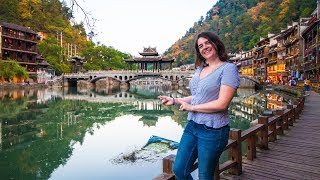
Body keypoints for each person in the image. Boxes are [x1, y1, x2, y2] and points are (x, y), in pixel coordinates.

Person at [158, 32, 240, 179]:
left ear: (216, 43)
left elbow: (222, 104)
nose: (204, 47)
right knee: (179, 169)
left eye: (207, 43)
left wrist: (192, 108)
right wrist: (175, 100)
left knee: (205, 175)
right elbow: (197, 97)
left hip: (213, 129)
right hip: (193, 125)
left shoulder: (228, 69)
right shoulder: (200, 69)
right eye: (200, 46)